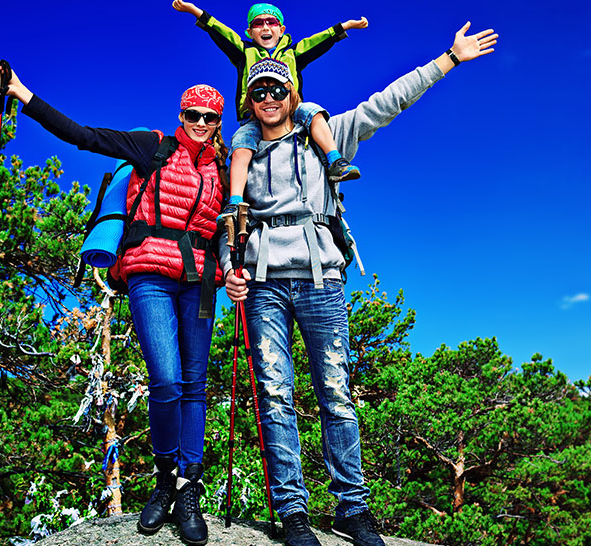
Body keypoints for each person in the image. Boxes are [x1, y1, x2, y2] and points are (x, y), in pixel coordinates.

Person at [220, 22, 498, 546]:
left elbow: (386, 103)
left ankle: (352, 508)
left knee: (336, 392)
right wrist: (228, 269)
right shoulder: (241, 154)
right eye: (259, 90)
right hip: (262, 284)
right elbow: (225, 223)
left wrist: (448, 59)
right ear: (249, 100)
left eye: (278, 88)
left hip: (321, 278)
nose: (269, 98)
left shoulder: (325, 132)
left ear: (292, 92)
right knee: (275, 394)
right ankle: (293, 513)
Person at [0, 64, 226, 546]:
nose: (200, 123)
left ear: (218, 122)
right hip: (149, 274)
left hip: (200, 282)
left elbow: (231, 224)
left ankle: (188, 488)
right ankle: (164, 479)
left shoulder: (223, 167)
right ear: (181, 115)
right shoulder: (152, 146)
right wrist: (20, 92)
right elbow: (84, 136)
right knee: (167, 380)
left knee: (196, 386)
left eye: (209, 117)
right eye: (192, 114)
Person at [172, 1, 367, 212]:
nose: (265, 27)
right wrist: (195, 11)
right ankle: (235, 201)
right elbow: (222, 32)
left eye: (271, 22)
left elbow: (318, 41)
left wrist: (345, 26)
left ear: (281, 29)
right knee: (241, 145)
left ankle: (335, 160)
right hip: (252, 115)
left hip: (291, 111)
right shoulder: (244, 51)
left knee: (314, 112)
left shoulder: (293, 53)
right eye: (258, 23)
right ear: (250, 32)